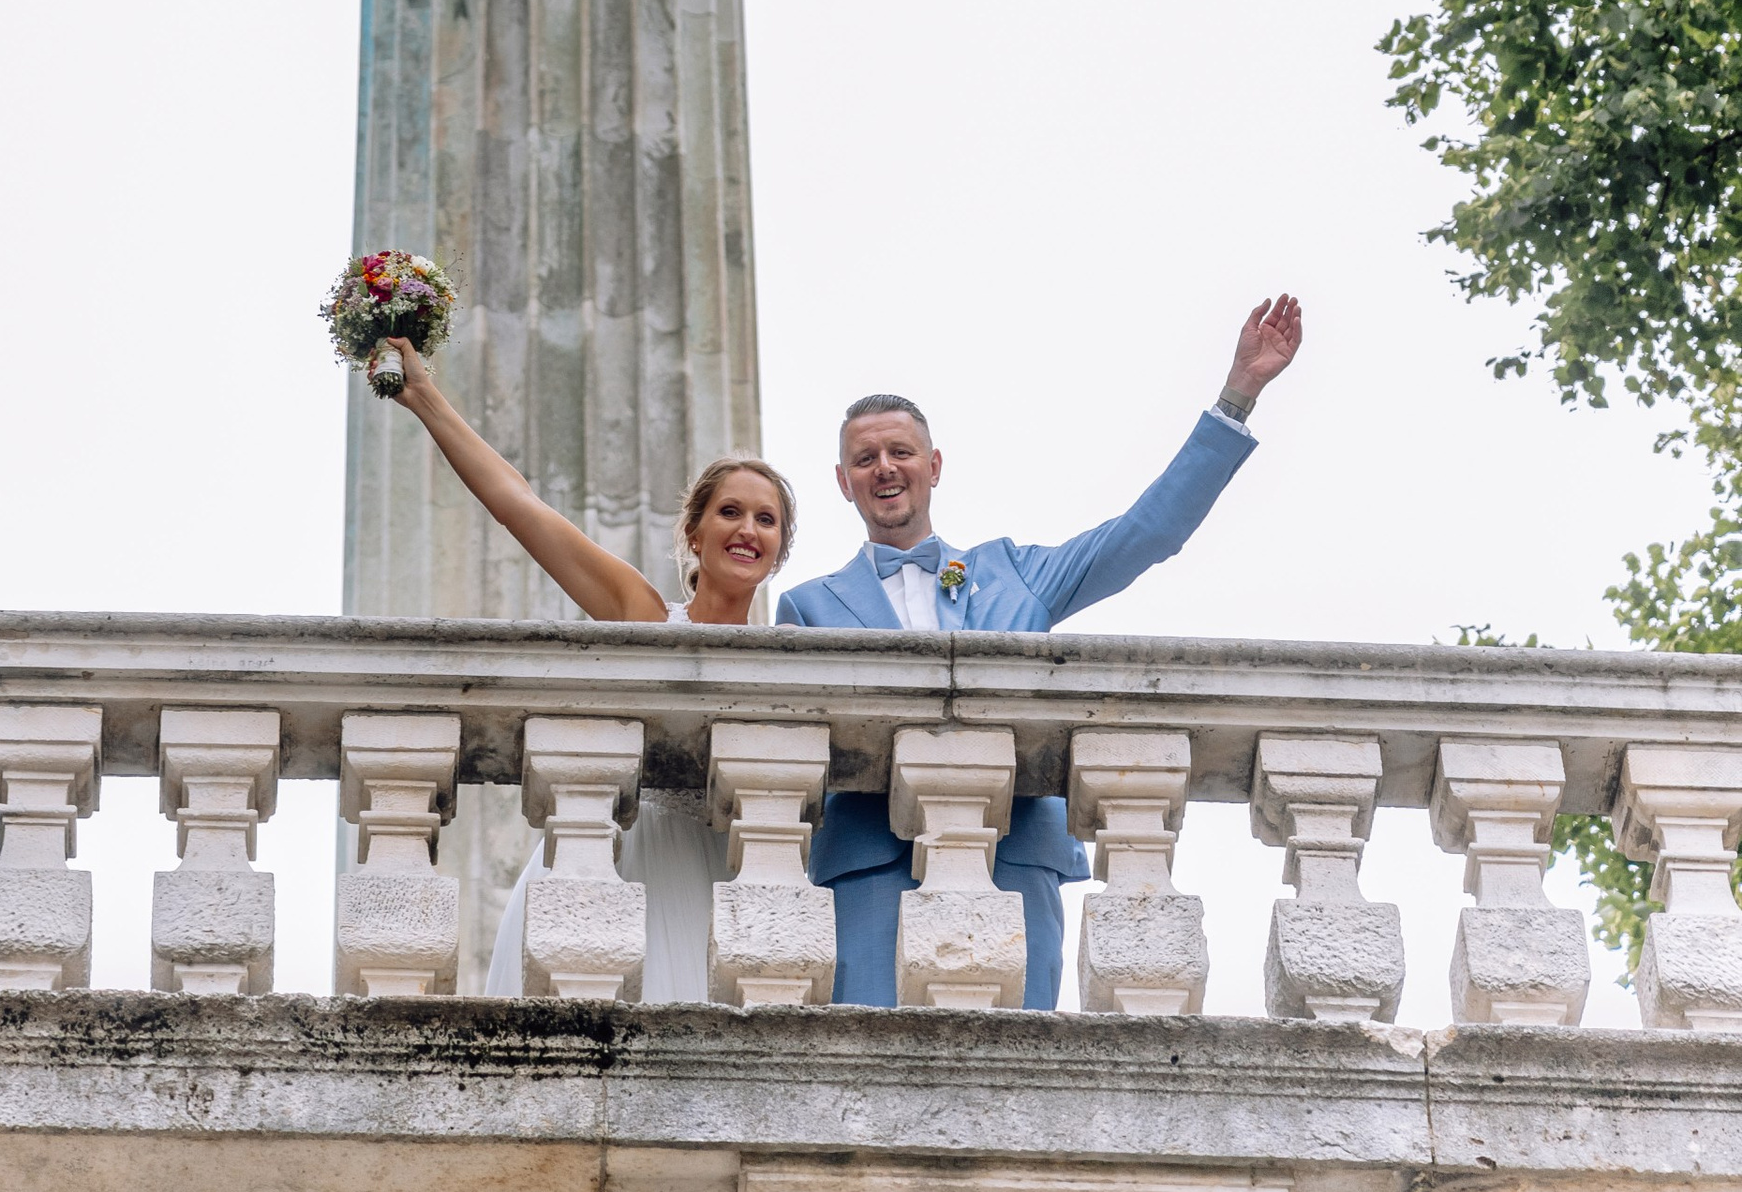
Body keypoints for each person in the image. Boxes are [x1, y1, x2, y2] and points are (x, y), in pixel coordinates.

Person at [777, 293, 1304, 1011]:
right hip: (867, 873)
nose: (885, 468)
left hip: (1013, 856)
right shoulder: (806, 607)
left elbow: (1145, 535)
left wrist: (1237, 396)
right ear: (843, 482)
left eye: (900, 452)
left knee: (1013, 1088)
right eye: (864, 459)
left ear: (934, 464)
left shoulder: (1010, 573)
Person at [375, 337, 795, 1002]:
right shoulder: (646, 616)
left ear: (778, 550)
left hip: (732, 883)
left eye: (766, 520)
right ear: (694, 532)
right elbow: (522, 509)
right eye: (730, 512)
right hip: (631, 869)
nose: (747, 529)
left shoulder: (790, 654)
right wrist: (424, 398)